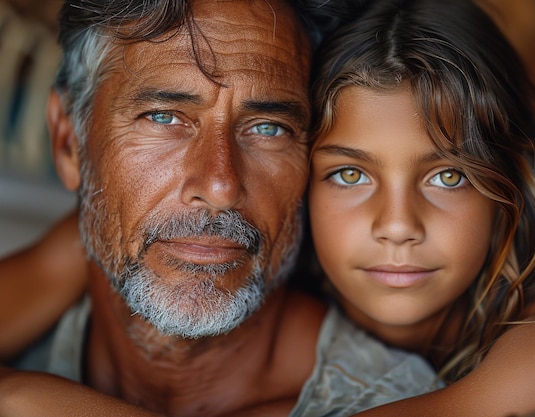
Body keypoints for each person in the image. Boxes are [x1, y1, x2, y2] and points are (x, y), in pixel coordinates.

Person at [0, 0, 439, 416]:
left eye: (269, 128)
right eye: (163, 117)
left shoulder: (393, 400)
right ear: (68, 143)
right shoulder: (36, 325)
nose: (220, 186)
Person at [305, 0, 535, 416]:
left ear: (510, 187)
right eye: (350, 175)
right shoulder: (260, 332)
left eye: (449, 177)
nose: (399, 226)